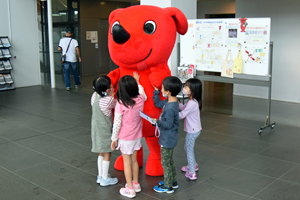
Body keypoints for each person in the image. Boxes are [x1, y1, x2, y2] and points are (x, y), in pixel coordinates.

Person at [111, 72, 147, 198]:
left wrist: (114, 139)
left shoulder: (121, 103)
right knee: (134, 160)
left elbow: (117, 123)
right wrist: (138, 82)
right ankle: (136, 184)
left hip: (125, 137)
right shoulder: (141, 99)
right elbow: (142, 92)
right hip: (137, 136)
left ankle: (130, 189)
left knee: (127, 163)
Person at [152, 76, 182, 194]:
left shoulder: (170, 107)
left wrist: (157, 122)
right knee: (170, 161)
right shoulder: (172, 101)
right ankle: (172, 181)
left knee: (165, 163)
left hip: (167, 139)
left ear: (168, 92)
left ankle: (168, 186)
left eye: (162, 88)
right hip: (171, 137)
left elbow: (168, 124)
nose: (161, 89)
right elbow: (158, 103)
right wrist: (156, 92)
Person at [91, 75, 118, 186]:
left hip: (96, 129)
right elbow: (115, 104)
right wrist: (113, 94)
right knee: (107, 153)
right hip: (105, 130)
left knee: (101, 152)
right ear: (107, 89)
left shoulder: (94, 96)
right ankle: (105, 179)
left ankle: (101, 176)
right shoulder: (109, 100)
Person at [178, 78, 202, 180]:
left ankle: (192, 172)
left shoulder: (192, 103)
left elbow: (182, 115)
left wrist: (171, 114)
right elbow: (184, 108)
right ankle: (193, 165)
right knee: (187, 147)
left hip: (192, 131)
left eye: (186, 86)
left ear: (192, 89)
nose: (184, 88)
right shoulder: (192, 101)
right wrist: (178, 103)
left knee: (189, 150)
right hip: (194, 130)